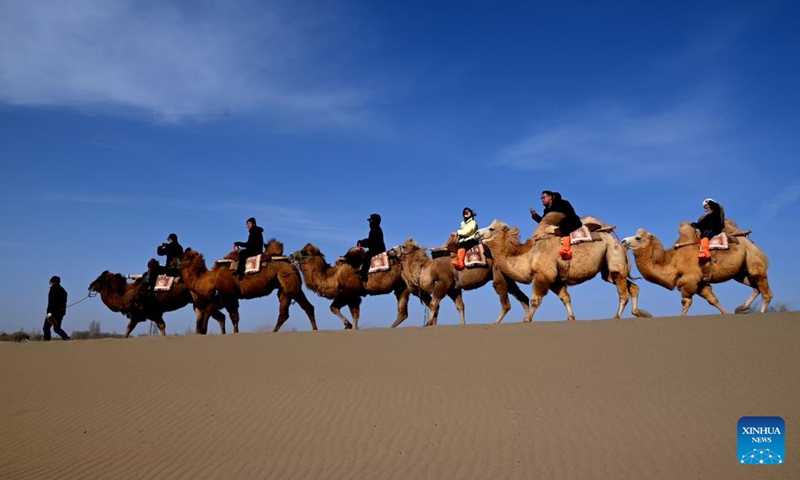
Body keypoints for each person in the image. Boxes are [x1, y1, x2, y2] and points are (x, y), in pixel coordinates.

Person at [530, 190, 582, 260]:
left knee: (564, 227)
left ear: (550, 197)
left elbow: (570, 214)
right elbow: (544, 222)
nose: (542, 200)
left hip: (572, 223)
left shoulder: (563, 203)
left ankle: (567, 251)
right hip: (558, 226)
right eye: (541, 198)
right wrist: (535, 215)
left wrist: (558, 219)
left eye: (544, 197)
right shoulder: (546, 210)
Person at [358, 213, 386, 281]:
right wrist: (362, 242)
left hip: (378, 250)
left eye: (371, 221)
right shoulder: (375, 229)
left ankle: (363, 275)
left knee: (366, 256)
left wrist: (362, 243)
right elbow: (371, 241)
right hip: (376, 249)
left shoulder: (376, 230)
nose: (370, 222)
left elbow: (371, 242)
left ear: (374, 221)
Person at [44, 276, 70, 341]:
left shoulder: (53, 290)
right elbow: (64, 302)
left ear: (54, 282)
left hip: (52, 314)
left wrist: (49, 313)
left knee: (46, 328)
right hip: (60, 313)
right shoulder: (63, 291)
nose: (50, 284)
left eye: (51, 282)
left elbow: (51, 303)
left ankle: (47, 342)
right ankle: (66, 338)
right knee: (57, 329)